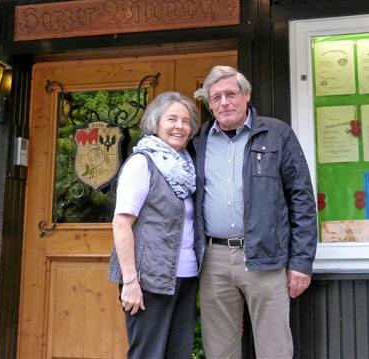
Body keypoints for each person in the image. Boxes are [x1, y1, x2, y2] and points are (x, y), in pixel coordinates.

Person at [194, 65, 317, 359]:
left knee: (274, 349)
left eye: (231, 94)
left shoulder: (276, 133)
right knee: (219, 351)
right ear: (209, 103)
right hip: (213, 259)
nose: (224, 102)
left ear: (246, 95)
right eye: (216, 97)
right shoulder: (198, 141)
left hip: (265, 256)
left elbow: (301, 198)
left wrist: (301, 262)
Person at [108, 91, 201, 359]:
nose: (180, 126)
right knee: (148, 354)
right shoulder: (142, 163)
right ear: (155, 123)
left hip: (185, 276)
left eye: (185, 121)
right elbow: (121, 224)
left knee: (178, 353)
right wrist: (130, 282)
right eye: (172, 119)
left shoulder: (187, 168)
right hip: (147, 279)